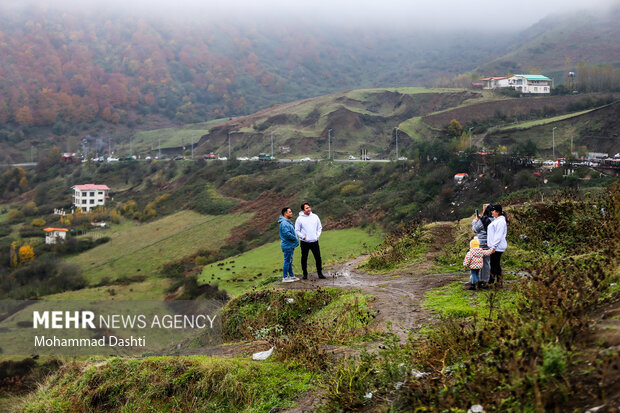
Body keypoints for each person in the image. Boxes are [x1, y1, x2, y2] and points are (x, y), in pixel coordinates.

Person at [295, 202, 325, 280]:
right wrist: (303, 237)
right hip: (305, 242)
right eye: (307, 208)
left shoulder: (315, 217)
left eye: (309, 207)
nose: (309, 209)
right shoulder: (299, 219)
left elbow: (319, 227)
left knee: (318, 257)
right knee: (304, 258)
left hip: (314, 241)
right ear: (303, 210)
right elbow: (297, 230)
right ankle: (305, 274)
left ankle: (320, 273)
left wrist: (317, 236)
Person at [471, 203, 494, 288]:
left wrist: (475, 221)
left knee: (475, 261)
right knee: (486, 263)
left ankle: (474, 280)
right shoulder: (495, 220)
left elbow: (475, 229)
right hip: (490, 242)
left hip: (481, 242)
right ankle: (485, 280)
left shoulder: (483, 219)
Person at [487, 204, 508, 287]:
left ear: (498, 212)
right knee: (494, 264)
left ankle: (494, 281)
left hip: (497, 246)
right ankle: (495, 281)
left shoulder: (501, 222)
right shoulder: (497, 220)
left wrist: (493, 246)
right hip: (495, 246)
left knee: (495, 264)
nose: (492, 212)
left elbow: (498, 235)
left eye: (493, 211)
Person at [278, 207, 299, 283]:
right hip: (287, 245)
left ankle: (291, 275)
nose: (291, 213)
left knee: (289, 261)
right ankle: (285, 277)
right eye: (290, 212)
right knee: (287, 261)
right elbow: (287, 234)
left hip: (290, 245)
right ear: (285, 213)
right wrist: (295, 238)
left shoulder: (287, 222)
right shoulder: (284, 223)